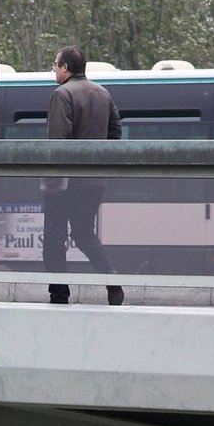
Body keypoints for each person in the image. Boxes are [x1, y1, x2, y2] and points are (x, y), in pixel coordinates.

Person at [43, 46, 124, 306]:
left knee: (54, 237)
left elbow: (58, 139)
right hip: (93, 180)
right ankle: (110, 276)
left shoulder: (62, 94)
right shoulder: (103, 93)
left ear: (65, 67)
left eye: (55, 65)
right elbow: (115, 132)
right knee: (83, 233)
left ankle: (59, 295)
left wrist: (52, 180)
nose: (54, 70)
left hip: (65, 182)